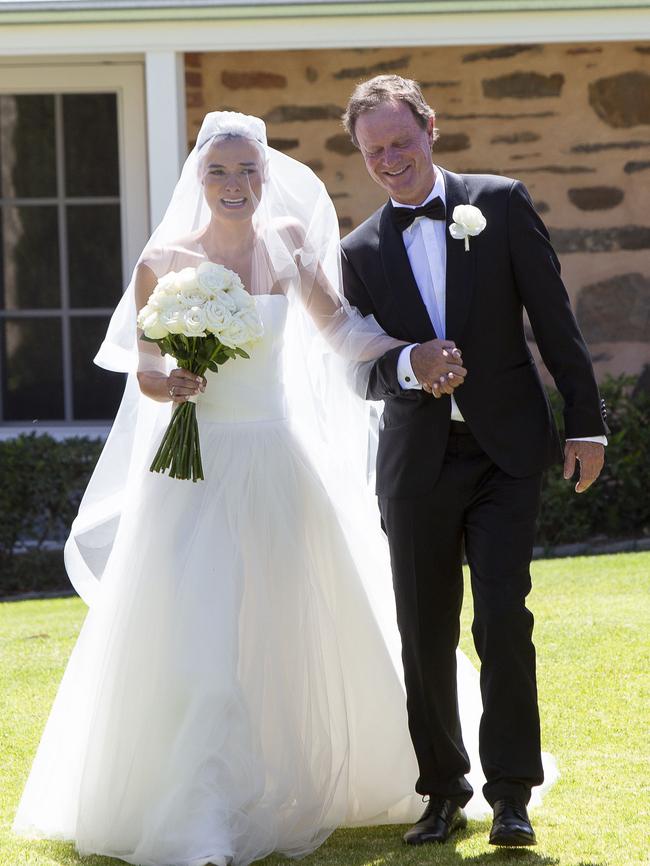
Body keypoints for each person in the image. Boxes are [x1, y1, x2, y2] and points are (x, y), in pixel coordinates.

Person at [12, 111, 504, 866]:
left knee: (293, 625)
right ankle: (199, 812)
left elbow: (341, 332)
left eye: (248, 171)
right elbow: (139, 368)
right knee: (199, 636)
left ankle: (330, 774)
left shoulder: (290, 247)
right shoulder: (163, 260)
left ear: (265, 177)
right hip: (193, 471)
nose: (235, 185)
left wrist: (411, 352)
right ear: (198, 179)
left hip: (274, 463)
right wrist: (165, 382)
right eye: (220, 172)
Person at [340, 75, 608, 848]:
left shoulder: (501, 201)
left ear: (430, 127)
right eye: (373, 151)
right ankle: (444, 792)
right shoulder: (356, 251)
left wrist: (586, 425)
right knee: (423, 632)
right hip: (416, 464)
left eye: (400, 141)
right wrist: (407, 365)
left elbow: (555, 321)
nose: (390, 160)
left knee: (502, 619)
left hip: (508, 454)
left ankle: (513, 796)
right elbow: (356, 368)